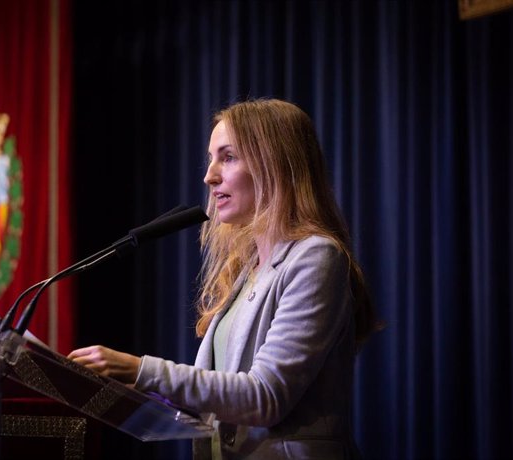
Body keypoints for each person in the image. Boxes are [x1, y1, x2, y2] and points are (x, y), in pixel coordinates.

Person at [68, 98, 381, 459]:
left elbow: (264, 398)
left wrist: (140, 370)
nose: (209, 175)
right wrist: (122, 390)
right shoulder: (246, 271)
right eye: (211, 157)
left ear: (274, 165)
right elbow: (218, 400)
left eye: (228, 157)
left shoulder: (316, 257)